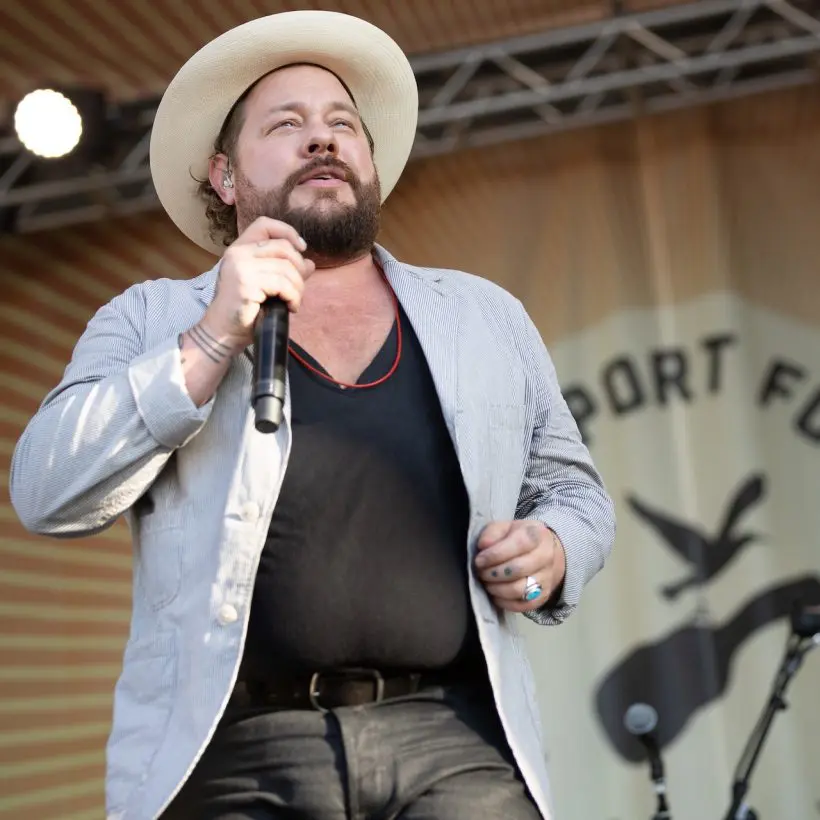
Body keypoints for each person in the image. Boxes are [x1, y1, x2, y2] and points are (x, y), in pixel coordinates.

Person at [9, 10, 615, 820]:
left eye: (342, 125)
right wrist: (209, 339)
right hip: (235, 752)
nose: (322, 139)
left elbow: (576, 495)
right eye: (287, 124)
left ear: (368, 159)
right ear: (226, 178)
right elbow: (47, 489)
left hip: (456, 743)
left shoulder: (483, 315)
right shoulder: (151, 320)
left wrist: (554, 551)